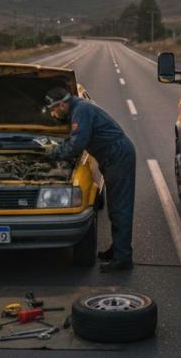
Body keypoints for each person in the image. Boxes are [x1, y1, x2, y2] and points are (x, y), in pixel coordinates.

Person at [43, 87, 137, 272]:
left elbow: (78, 143)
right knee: (115, 207)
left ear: (62, 104)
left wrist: (53, 155)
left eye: (54, 109)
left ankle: (123, 258)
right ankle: (118, 249)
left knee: (120, 208)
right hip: (112, 156)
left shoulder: (81, 110)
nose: (53, 114)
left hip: (118, 156)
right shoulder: (78, 107)